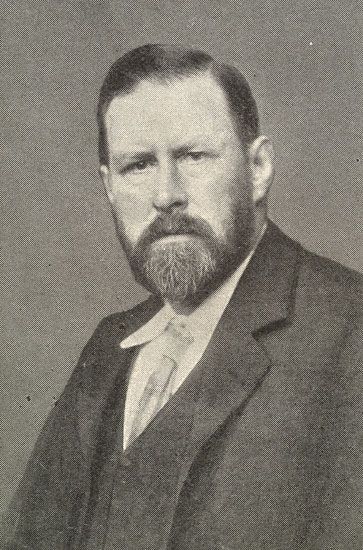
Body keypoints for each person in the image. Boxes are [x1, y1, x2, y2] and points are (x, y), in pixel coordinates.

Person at [3, 44, 362, 550]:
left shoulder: (351, 331)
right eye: (138, 165)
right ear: (108, 186)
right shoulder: (108, 347)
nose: (166, 194)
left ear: (258, 168)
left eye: (193, 156)